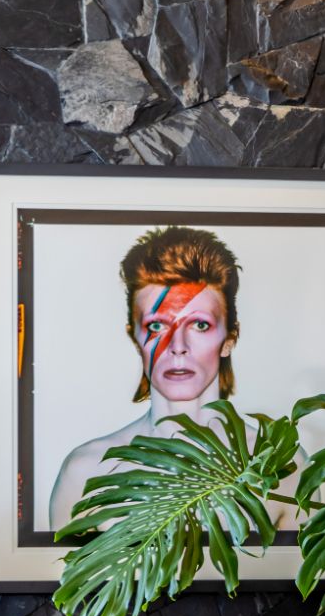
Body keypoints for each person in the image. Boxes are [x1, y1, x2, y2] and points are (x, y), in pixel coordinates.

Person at [47, 225, 301, 533]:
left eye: (200, 325)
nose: (177, 346)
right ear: (135, 338)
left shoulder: (282, 466)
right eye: (157, 327)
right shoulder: (86, 471)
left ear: (229, 338)